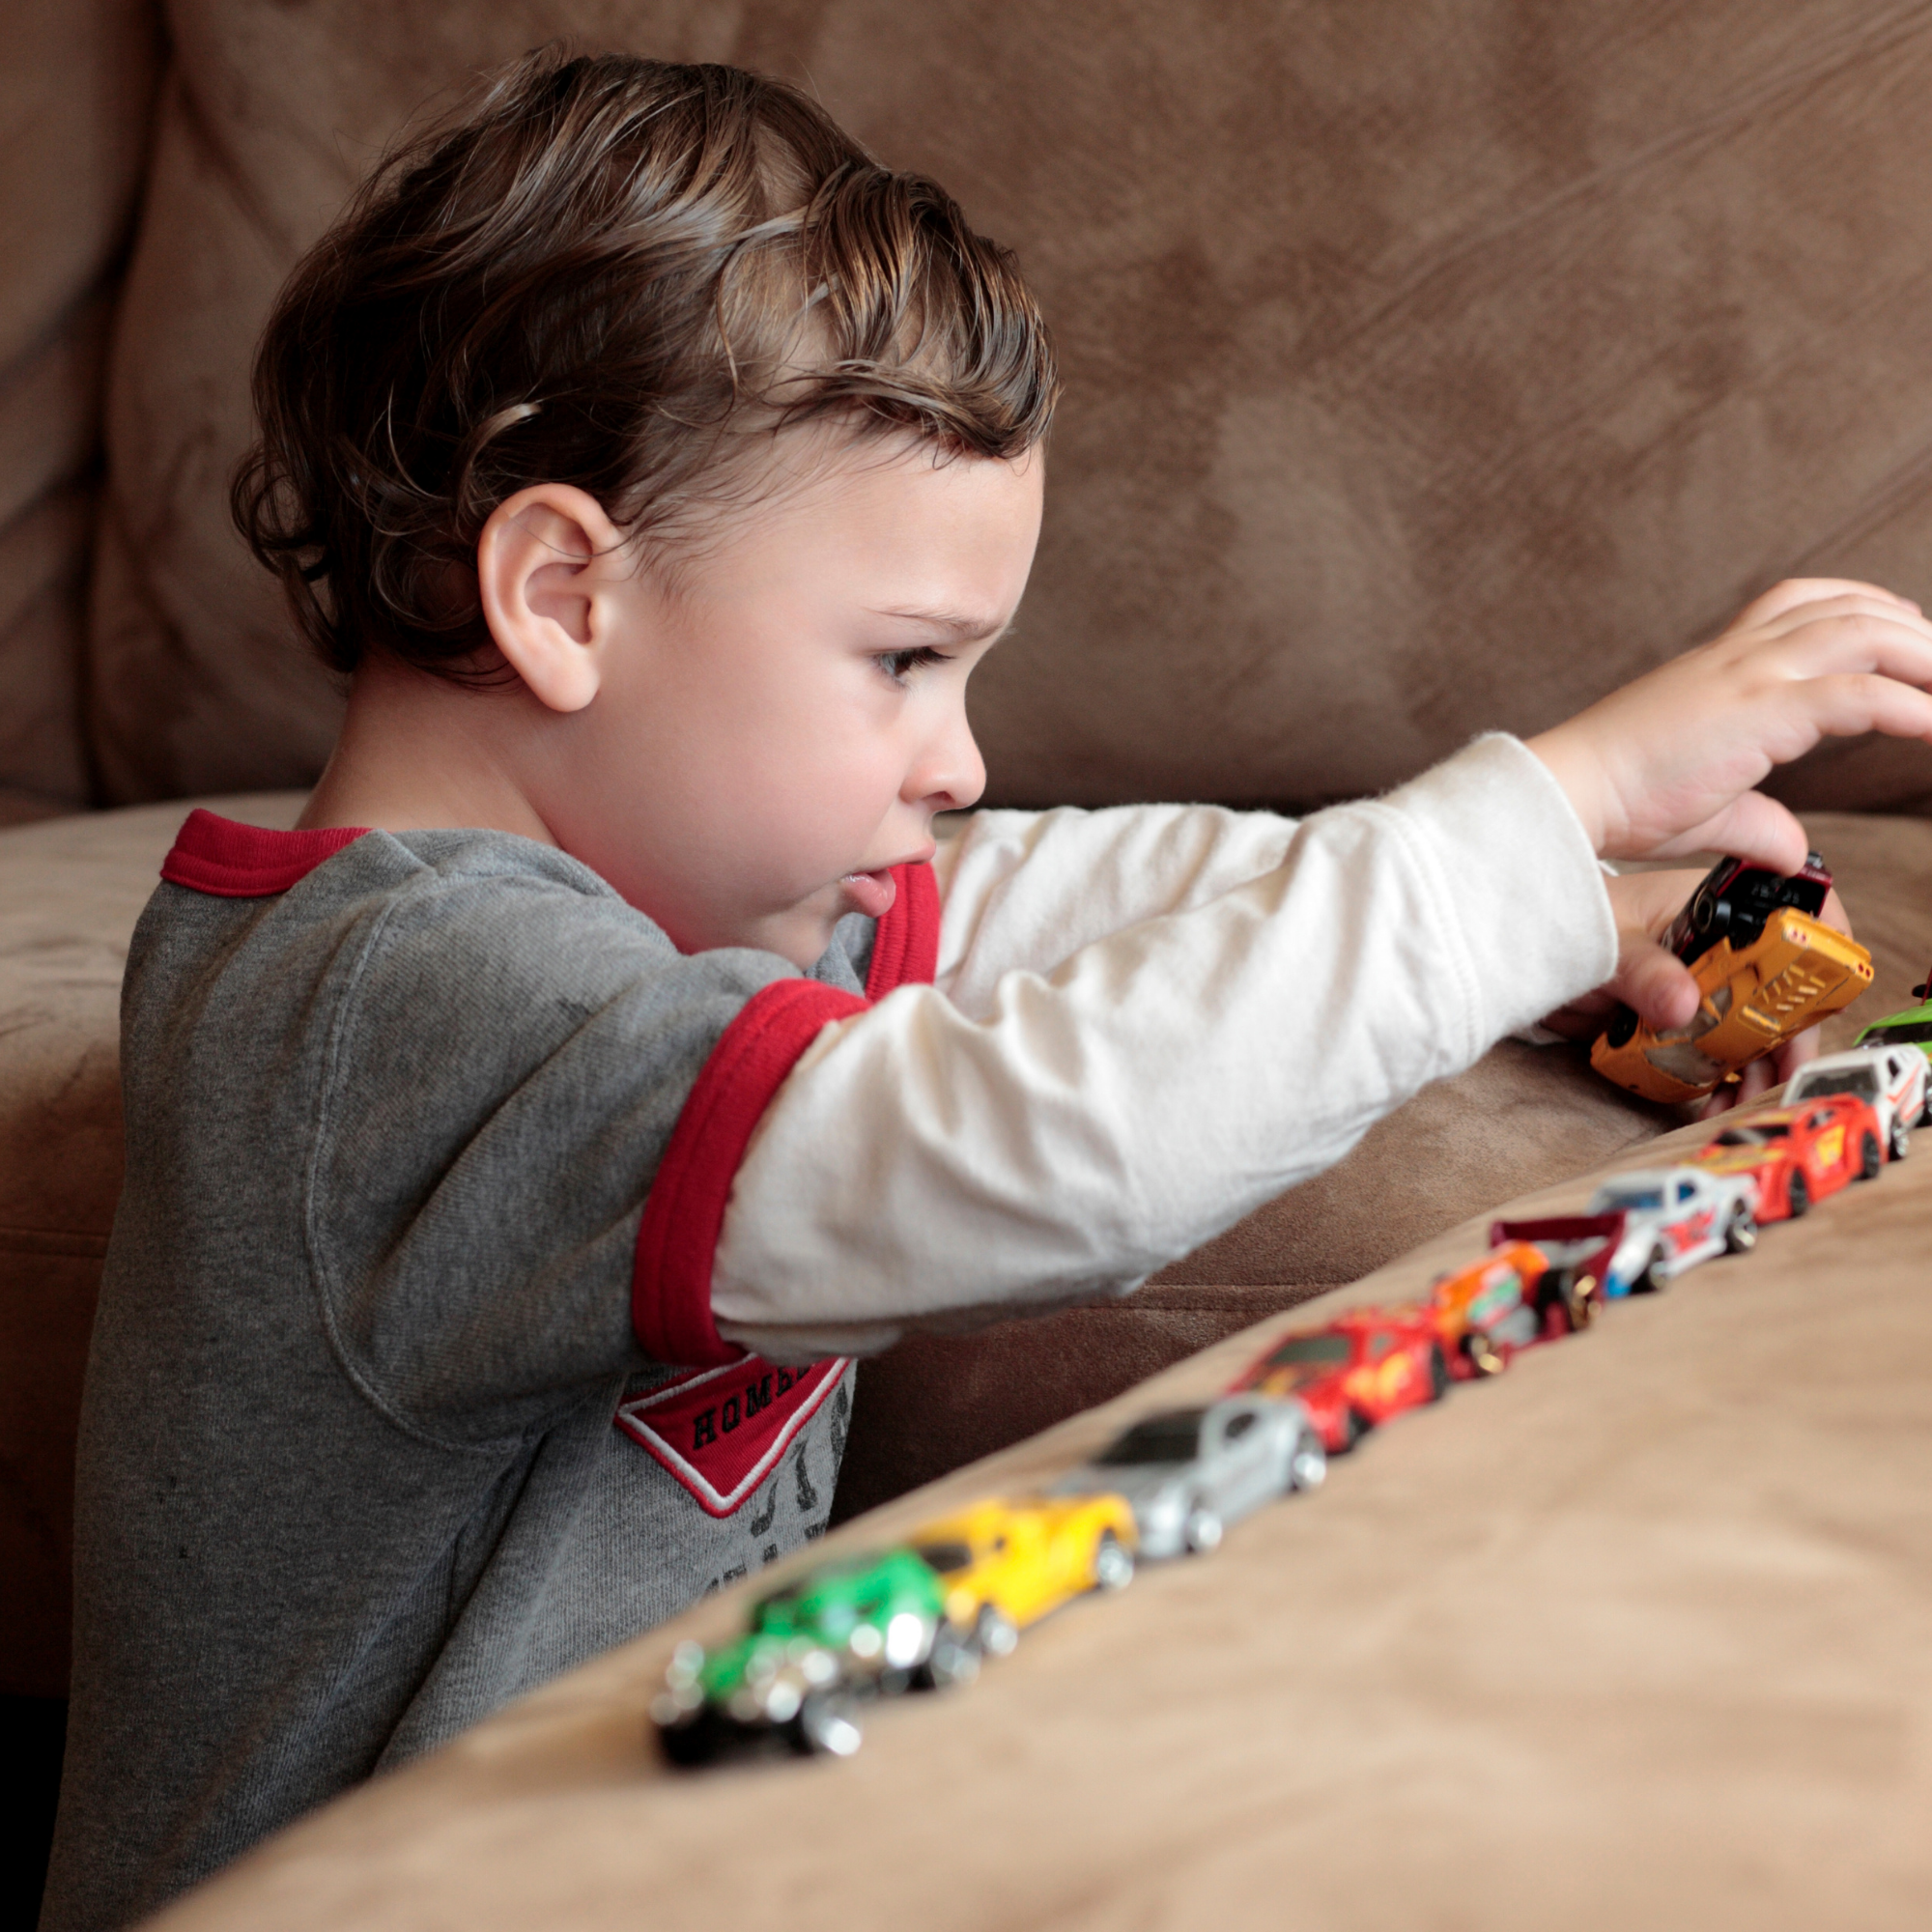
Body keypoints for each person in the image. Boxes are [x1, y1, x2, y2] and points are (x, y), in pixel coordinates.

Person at [42, 45, 1932, 1932]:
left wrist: (1563, 917)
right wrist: (1554, 800)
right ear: (561, 597)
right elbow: (1027, 1152)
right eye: (902, 661)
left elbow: (1030, 895)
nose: (957, 759)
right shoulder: (397, 1006)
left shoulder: (681, 913)